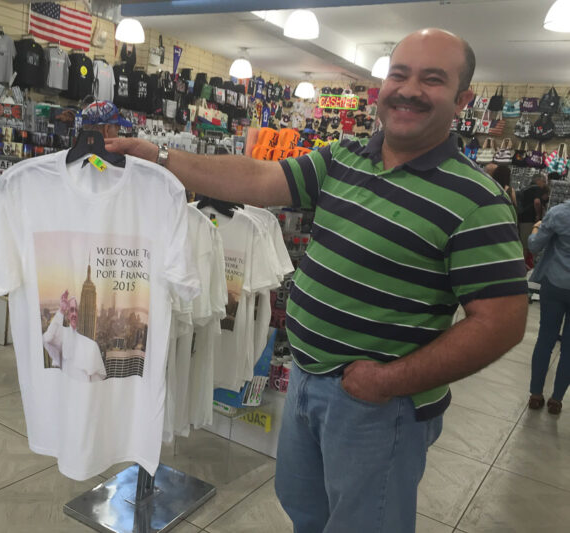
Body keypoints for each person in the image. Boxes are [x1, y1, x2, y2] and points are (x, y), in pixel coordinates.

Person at [105, 28, 528, 533]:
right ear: (382, 86)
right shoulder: (344, 158)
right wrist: (161, 157)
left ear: (461, 100)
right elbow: (258, 180)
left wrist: (389, 381)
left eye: (432, 79)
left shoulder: (477, 199)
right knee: (304, 507)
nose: (410, 89)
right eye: (400, 74)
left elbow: (501, 323)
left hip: (378, 406)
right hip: (308, 379)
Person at [527, 201, 570, 415]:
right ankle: (557, 399)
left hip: (555, 284)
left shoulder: (558, 213)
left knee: (545, 339)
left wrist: (536, 227)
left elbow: (534, 245)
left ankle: (536, 394)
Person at [43, 290, 106, 382]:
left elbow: (96, 381)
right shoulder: (62, 334)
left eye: (76, 310)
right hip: (67, 389)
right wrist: (61, 310)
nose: (74, 314)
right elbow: (47, 338)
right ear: (67, 315)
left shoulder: (91, 345)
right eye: (71, 310)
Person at [518, 174, 550, 251]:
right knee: (528, 246)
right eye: (543, 182)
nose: (544, 184)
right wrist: (538, 215)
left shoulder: (525, 189)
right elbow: (537, 202)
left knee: (523, 244)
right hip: (530, 220)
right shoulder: (537, 188)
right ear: (538, 181)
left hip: (522, 219)